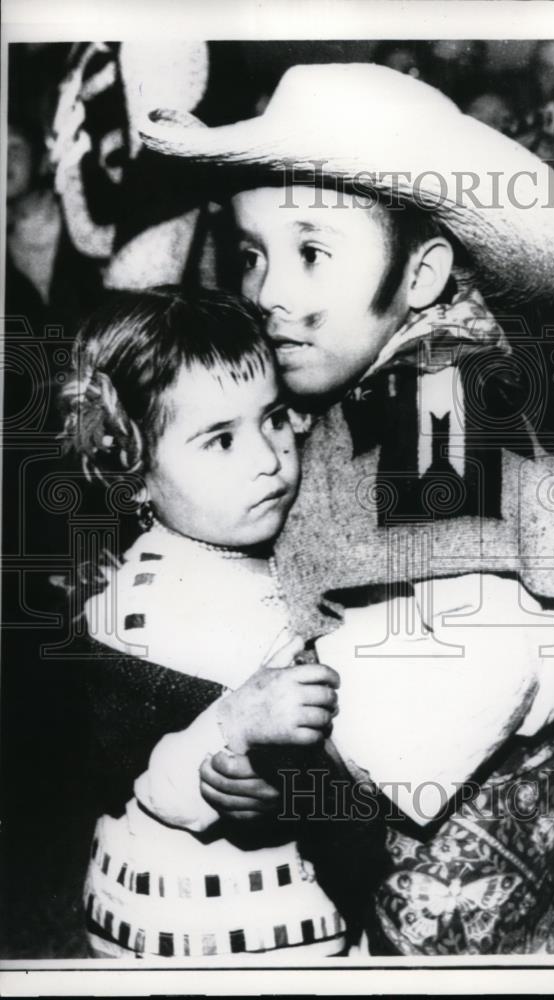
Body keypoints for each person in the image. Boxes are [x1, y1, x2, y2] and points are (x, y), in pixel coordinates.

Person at [140, 63, 554, 954]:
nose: (269, 295)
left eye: (312, 253)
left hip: (447, 905)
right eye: (252, 255)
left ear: (423, 275)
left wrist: (297, 783)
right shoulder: (387, 386)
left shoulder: (439, 410)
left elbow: (447, 694)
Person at [59, 286, 346, 958]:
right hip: (200, 923)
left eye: (274, 418)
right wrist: (234, 725)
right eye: (220, 439)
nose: (268, 458)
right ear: (132, 472)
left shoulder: (220, 551)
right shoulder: (152, 608)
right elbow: (145, 775)